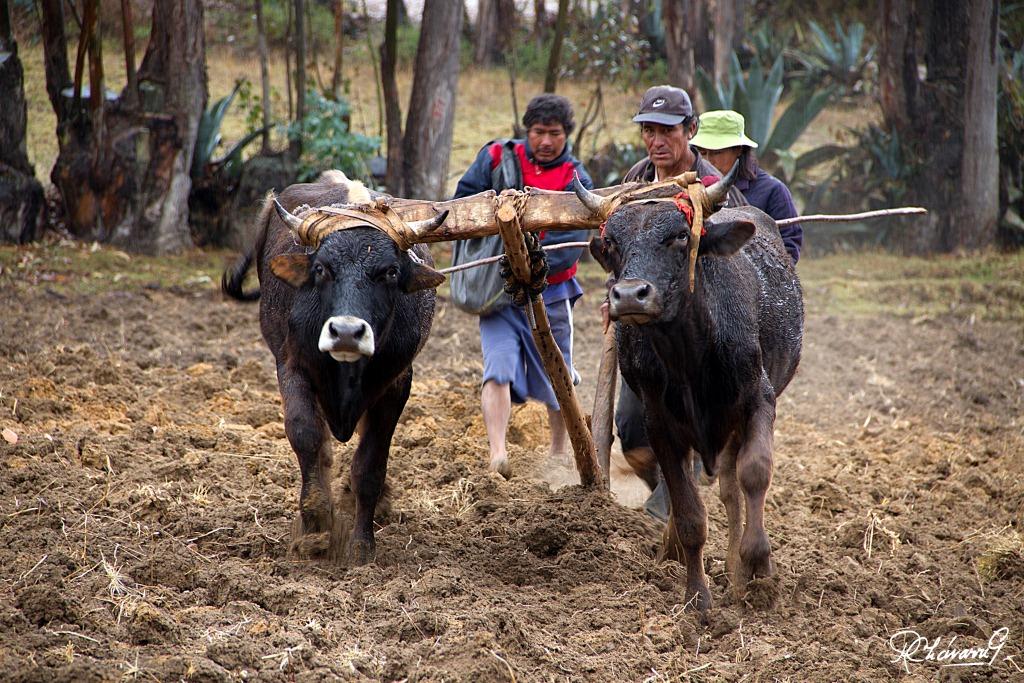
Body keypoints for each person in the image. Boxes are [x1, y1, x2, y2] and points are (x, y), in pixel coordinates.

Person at [613, 87, 748, 521]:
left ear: (691, 130)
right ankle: (672, 488)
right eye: (649, 131)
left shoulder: (716, 190)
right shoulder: (634, 181)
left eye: (667, 130)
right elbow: (620, 247)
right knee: (632, 430)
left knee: (691, 419)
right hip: (646, 332)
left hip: (701, 337)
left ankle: (667, 508)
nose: (657, 141)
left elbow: (739, 262)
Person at [452, 94, 594, 479]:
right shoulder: (496, 157)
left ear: (568, 135)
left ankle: (559, 452)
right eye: (538, 133)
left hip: (553, 293)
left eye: (554, 133)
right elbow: (463, 203)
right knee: (496, 369)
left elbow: (576, 240)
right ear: (525, 131)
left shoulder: (576, 178)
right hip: (499, 291)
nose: (545, 141)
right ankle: (497, 453)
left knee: (558, 375)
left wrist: (533, 265)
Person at [691, 109, 803, 263]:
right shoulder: (689, 189)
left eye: (716, 152)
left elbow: (789, 248)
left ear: (739, 149)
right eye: (703, 153)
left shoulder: (773, 191)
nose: (709, 161)